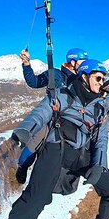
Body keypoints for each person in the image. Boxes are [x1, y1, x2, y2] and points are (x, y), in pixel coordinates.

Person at [0, 60, 109, 219]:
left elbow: (101, 140)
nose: (102, 82)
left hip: (81, 153)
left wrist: (99, 165)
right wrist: (26, 130)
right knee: (36, 197)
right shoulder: (63, 95)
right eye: (98, 77)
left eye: (103, 79)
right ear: (84, 77)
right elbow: (40, 113)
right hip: (56, 148)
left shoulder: (99, 108)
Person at [15, 47, 89, 185]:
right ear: (72, 62)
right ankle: (23, 165)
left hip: (70, 119)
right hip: (53, 116)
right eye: (82, 61)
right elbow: (34, 82)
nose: (85, 65)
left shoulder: (82, 80)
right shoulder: (55, 74)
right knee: (36, 141)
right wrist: (26, 65)